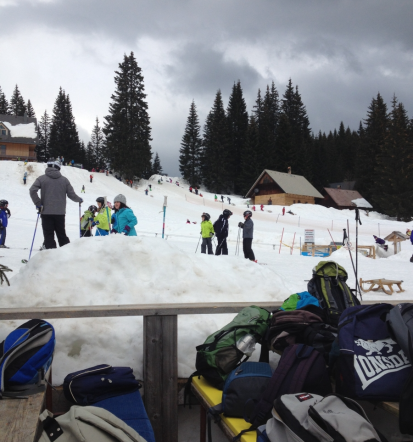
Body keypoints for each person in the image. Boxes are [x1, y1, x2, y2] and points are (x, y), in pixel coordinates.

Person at [29, 160, 83, 249]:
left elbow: (32, 190)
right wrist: (79, 199)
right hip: (60, 212)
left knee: (48, 235)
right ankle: (67, 253)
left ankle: (51, 255)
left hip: (45, 211)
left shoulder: (41, 178)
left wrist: (38, 203)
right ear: (58, 168)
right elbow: (71, 194)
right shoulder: (64, 180)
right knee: (61, 233)